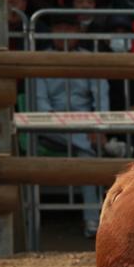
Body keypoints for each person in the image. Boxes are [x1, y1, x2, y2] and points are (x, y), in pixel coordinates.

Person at [32, 13, 110, 237]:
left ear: (79, 32)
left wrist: (98, 126)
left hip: (87, 125)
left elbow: (100, 99)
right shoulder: (38, 58)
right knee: (89, 149)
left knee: (86, 155)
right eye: (59, 27)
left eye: (70, 27)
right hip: (50, 126)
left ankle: (93, 221)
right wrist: (87, 132)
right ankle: (93, 218)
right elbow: (41, 106)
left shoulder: (90, 58)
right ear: (51, 32)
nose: (64, 32)